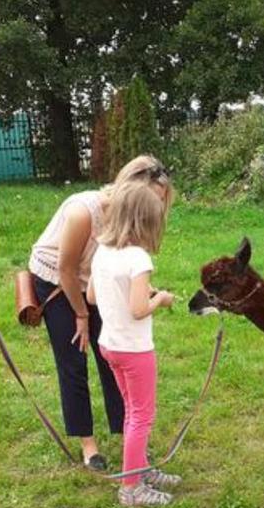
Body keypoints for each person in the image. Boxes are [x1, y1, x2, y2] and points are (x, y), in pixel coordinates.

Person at [28, 154, 173, 471]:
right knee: (73, 360)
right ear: (131, 188)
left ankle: (128, 435)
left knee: (112, 352)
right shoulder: (84, 211)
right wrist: (81, 315)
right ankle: (88, 445)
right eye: (154, 199)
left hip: (92, 284)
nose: (156, 209)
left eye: (161, 202)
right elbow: (67, 269)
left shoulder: (130, 221)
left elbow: (116, 271)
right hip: (55, 281)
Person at [88, 179, 179, 506]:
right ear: (146, 221)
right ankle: (132, 490)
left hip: (109, 346)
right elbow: (139, 309)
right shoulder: (138, 257)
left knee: (131, 412)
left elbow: (92, 296)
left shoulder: (103, 249)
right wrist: (162, 299)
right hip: (135, 350)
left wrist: (138, 293)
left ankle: (138, 470)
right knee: (142, 415)